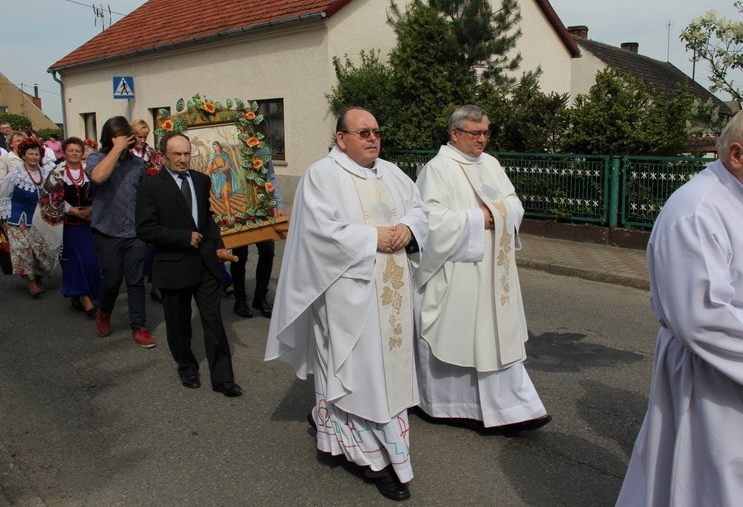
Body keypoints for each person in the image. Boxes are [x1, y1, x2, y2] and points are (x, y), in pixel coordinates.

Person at [616, 104, 743, 506]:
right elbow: (703, 319)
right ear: (737, 154)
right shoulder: (696, 211)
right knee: (719, 488)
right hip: (719, 383)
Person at [265, 107, 428, 501]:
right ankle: (372, 459)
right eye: (362, 132)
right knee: (359, 374)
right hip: (346, 296)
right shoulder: (322, 175)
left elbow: (421, 210)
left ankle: (339, 431)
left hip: (391, 297)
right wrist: (374, 238)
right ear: (341, 139)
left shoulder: (391, 172)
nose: (372, 138)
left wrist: (408, 228)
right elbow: (319, 234)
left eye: (376, 131)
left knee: (386, 373)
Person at [413, 105, 551, 436]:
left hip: (494, 270)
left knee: (496, 338)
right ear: (455, 134)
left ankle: (515, 407)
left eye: (486, 132)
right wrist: (481, 219)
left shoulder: (490, 164)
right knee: (461, 337)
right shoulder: (437, 170)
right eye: (475, 133)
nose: (482, 140)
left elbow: (513, 202)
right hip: (459, 271)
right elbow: (431, 222)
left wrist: (500, 215)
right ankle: (447, 405)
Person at [136, 132, 241, 397]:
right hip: (173, 265)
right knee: (179, 323)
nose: (183, 159)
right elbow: (145, 229)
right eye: (176, 154)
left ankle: (223, 378)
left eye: (186, 153)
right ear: (163, 156)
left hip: (205, 263)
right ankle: (187, 366)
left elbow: (207, 218)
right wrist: (182, 237)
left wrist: (217, 242)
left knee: (213, 320)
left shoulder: (201, 180)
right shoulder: (151, 186)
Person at [85, 116, 155, 348]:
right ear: (109, 138)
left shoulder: (137, 164)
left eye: (123, 137)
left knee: (135, 281)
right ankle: (105, 312)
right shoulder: (97, 158)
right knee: (112, 280)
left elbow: (146, 195)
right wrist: (115, 150)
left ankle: (139, 327)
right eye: (116, 138)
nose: (122, 141)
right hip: (107, 231)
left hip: (134, 232)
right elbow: (98, 177)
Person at [39, 137, 101, 317]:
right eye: (71, 150)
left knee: (90, 262)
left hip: (89, 225)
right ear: (64, 153)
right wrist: (72, 210)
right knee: (73, 262)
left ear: (82, 154)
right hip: (67, 226)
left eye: (78, 151)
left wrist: (90, 209)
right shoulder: (57, 173)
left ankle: (82, 294)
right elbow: (48, 198)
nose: (74, 153)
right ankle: (84, 298)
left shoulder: (90, 172)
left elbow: (101, 194)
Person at [230, 148, 285, 318]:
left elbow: (271, 176)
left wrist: (278, 204)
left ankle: (260, 298)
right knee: (240, 254)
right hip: (239, 207)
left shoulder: (263, 149)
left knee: (267, 252)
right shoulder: (235, 145)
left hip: (262, 207)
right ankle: (240, 300)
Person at [0, 138, 56, 296]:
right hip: (18, 219)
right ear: (23, 155)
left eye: (36, 154)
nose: (33, 156)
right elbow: (4, 195)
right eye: (30, 153)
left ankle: (38, 276)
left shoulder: (46, 174)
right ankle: (31, 282)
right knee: (23, 250)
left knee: (41, 251)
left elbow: (54, 196)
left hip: (40, 219)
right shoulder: (15, 174)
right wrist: (3, 217)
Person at [129, 119, 165, 302]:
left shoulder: (151, 153)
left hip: (152, 203)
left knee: (156, 244)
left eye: (145, 136)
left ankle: (156, 285)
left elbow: (160, 171)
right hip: (131, 204)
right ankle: (136, 282)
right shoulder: (126, 154)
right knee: (137, 248)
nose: (142, 140)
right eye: (139, 136)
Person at [205, 140, 239, 217]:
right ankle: (227, 211)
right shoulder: (212, 156)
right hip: (217, 177)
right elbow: (210, 167)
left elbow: (228, 165)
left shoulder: (225, 154)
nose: (216, 148)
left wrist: (222, 169)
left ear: (219, 146)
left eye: (216, 146)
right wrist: (206, 172)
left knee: (226, 194)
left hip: (225, 175)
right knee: (223, 196)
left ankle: (229, 212)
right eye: (214, 147)